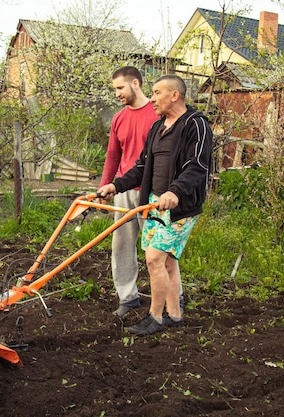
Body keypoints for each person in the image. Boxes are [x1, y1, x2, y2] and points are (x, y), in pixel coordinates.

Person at [98, 74, 212, 335]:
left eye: (158, 92)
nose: (153, 99)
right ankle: (174, 314)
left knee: (154, 259)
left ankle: (156, 317)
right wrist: (116, 185)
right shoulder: (157, 128)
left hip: (179, 207)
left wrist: (175, 192)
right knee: (168, 261)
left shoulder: (196, 124)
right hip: (153, 204)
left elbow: (198, 167)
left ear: (175, 95)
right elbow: (141, 166)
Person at [99, 66, 159, 319]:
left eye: (120, 88)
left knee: (159, 248)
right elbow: (113, 154)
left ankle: (169, 297)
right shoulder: (119, 118)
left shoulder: (157, 114)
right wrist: (105, 185)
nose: (117, 94)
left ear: (135, 83)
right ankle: (128, 297)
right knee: (122, 245)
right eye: (115, 89)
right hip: (124, 189)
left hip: (153, 191)